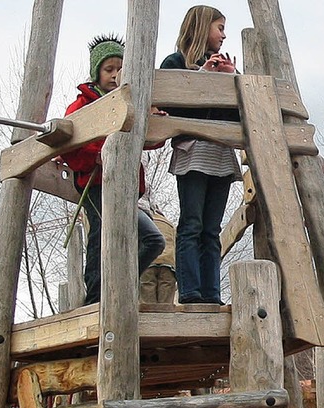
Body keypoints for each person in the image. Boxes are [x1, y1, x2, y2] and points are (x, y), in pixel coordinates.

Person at [62, 35, 165, 305]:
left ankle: (119, 287)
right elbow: (68, 144)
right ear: (96, 73)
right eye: (109, 69)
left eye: (121, 69)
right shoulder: (83, 104)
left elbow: (148, 141)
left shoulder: (129, 101)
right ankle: (96, 299)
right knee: (101, 235)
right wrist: (96, 156)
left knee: (153, 240)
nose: (115, 75)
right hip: (96, 184)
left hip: (125, 185)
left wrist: (158, 122)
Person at [159, 6, 242, 305]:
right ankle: (191, 292)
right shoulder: (174, 62)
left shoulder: (222, 64)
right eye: (220, 27)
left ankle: (212, 293)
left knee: (211, 229)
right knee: (192, 223)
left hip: (219, 152)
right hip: (193, 153)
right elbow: (171, 107)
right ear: (203, 26)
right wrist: (202, 79)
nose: (224, 34)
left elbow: (238, 112)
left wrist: (232, 78)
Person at [139, 208, 177, 304]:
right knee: (166, 304)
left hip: (149, 262)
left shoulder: (145, 221)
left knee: (147, 302)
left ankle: (149, 318)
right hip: (168, 263)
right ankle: (166, 318)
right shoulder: (170, 224)